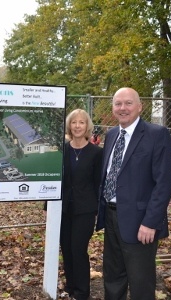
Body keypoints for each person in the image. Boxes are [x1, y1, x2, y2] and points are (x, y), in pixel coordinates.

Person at [96, 87, 171, 300]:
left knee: (141, 281)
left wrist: (151, 222)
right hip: (112, 217)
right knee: (113, 277)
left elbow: (164, 184)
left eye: (128, 103)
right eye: (118, 104)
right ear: (113, 108)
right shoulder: (112, 134)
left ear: (140, 106)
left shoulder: (157, 135)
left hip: (141, 222)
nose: (123, 108)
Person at [59, 109, 103, 299]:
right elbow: (54, 180)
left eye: (81, 122)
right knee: (66, 249)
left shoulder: (96, 153)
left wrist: (97, 210)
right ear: (69, 126)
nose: (77, 126)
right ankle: (70, 288)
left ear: (87, 127)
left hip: (85, 209)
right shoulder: (62, 150)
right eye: (74, 122)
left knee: (78, 249)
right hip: (63, 208)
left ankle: (82, 292)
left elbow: (98, 183)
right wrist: (48, 206)